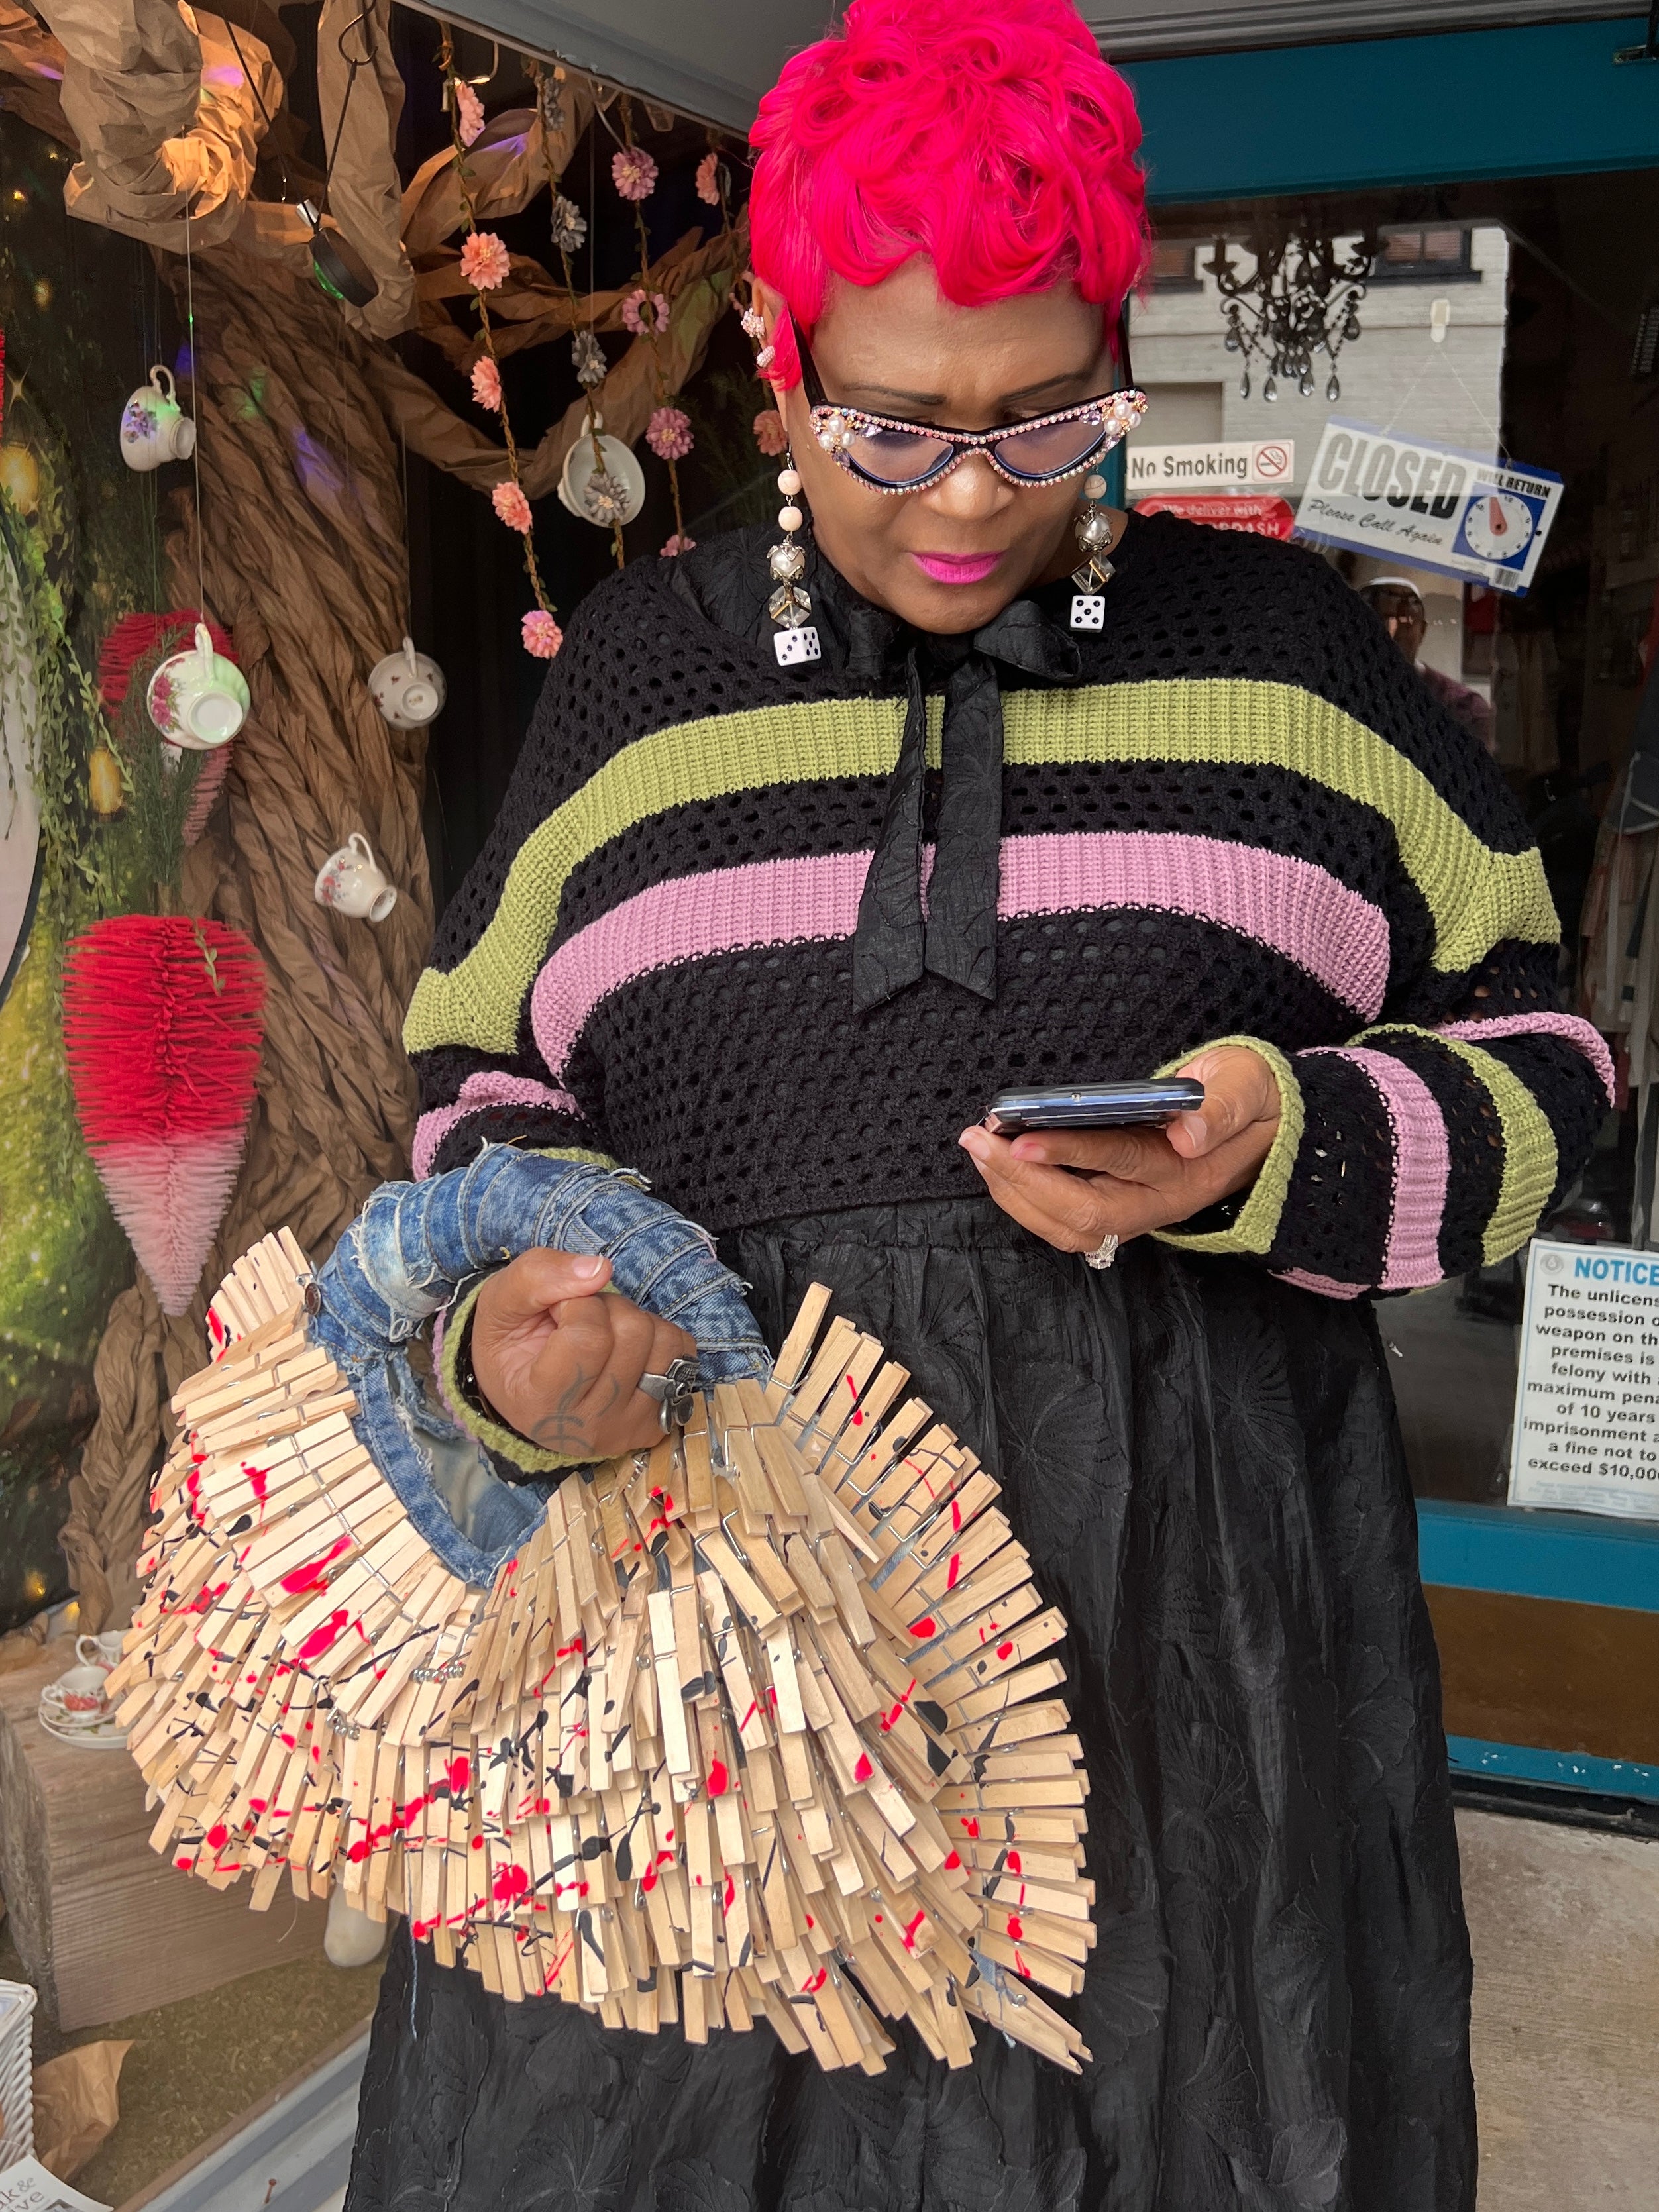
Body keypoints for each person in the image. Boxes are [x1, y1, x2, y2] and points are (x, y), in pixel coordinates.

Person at [345, 4, 1611, 2206]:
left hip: (1181, 1643)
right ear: (775, 349)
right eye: (895, 421)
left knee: (1180, 2133)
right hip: (701, 1654)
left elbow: (1547, 1077)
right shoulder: (637, 686)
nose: (961, 499)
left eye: (1044, 426)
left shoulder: (1290, 665)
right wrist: (534, 1303)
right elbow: (475, 1079)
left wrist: (1281, 1145)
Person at [1360, 574, 1496, 753]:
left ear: (1422, 630)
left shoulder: (1463, 705)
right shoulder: (1341, 691)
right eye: (1386, 620)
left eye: (1407, 623)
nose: (1395, 632)